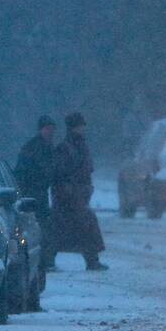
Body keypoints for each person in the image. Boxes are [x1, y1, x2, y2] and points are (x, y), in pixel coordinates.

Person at [53, 112, 108, 271]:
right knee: (72, 228)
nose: (83, 129)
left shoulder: (81, 145)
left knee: (81, 227)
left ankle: (92, 259)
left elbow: (86, 170)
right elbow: (61, 174)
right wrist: (70, 192)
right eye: (80, 126)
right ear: (73, 128)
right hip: (68, 197)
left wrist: (85, 189)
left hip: (79, 195)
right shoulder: (65, 148)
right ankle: (90, 260)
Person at [16, 115, 58, 272]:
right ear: (41, 129)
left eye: (52, 129)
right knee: (39, 226)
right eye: (47, 129)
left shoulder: (47, 147)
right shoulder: (33, 148)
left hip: (40, 192)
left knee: (43, 226)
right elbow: (24, 172)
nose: (50, 132)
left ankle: (44, 260)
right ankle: (42, 261)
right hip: (32, 193)